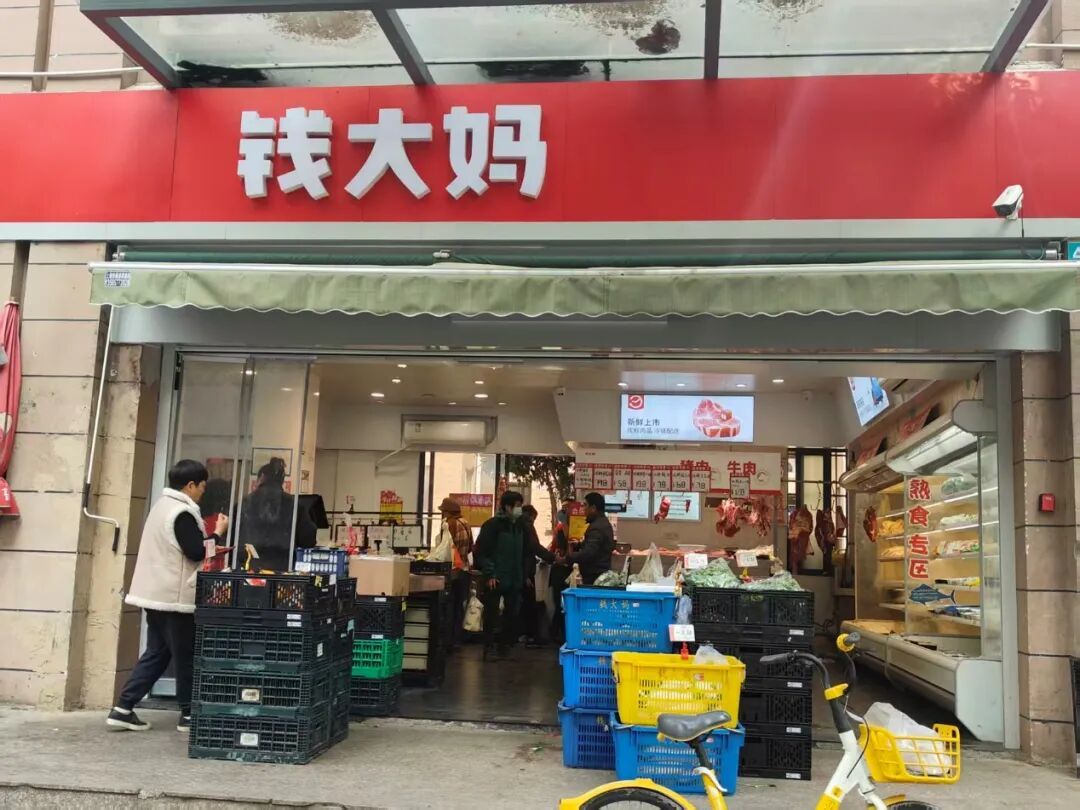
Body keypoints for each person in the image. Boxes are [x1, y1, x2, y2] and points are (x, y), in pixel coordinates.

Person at [107, 459, 228, 733]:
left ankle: (123, 708)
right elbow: (196, 552)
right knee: (185, 655)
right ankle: (189, 714)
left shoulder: (161, 507)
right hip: (174, 596)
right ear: (190, 485)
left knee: (158, 653)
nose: (203, 492)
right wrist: (218, 535)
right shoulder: (181, 513)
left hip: (156, 593)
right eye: (202, 486)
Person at [473, 490, 527, 661]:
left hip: (514, 578)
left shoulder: (519, 526)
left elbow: (525, 552)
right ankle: (489, 647)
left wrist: (524, 575)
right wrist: (490, 574)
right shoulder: (492, 526)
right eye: (517, 506)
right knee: (491, 614)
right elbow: (481, 553)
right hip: (495, 578)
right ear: (507, 507)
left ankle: (504, 646)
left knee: (512, 614)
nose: (519, 509)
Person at [238, 457, 317, 571]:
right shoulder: (294, 504)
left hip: (250, 565)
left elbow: (233, 536)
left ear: (261, 477)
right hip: (283, 566)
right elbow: (308, 539)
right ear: (282, 481)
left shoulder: (245, 502)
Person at [437, 497, 473, 649]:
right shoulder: (465, 523)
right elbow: (471, 547)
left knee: (448, 605)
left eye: (443, 511)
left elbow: (444, 549)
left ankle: (447, 641)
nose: (442, 514)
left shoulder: (449, 524)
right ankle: (457, 639)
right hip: (464, 570)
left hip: (451, 571)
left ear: (448, 512)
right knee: (459, 605)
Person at [519, 504, 555, 647]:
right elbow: (534, 546)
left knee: (522, 604)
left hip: (521, 571)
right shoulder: (527, 525)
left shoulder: (516, 524)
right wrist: (552, 557)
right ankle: (531, 635)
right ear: (531, 516)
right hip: (526, 571)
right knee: (529, 604)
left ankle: (521, 634)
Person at [562, 491, 615, 585]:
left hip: (594, 576)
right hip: (598, 573)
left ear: (593, 508)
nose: (583, 509)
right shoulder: (603, 523)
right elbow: (596, 547)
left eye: (585, 505)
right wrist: (579, 544)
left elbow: (588, 553)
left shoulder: (597, 527)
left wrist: (567, 558)